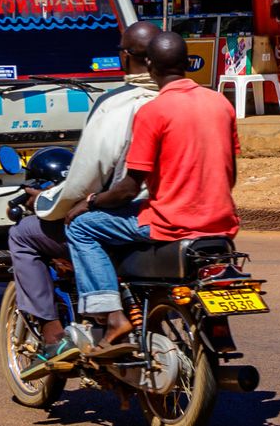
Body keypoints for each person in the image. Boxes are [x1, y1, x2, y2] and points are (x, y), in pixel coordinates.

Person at [64, 31, 240, 357]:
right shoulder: (220, 103)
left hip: (170, 224)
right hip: (221, 222)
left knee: (81, 228)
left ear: (148, 65)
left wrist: (89, 203)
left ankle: (112, 317)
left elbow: (128, 188)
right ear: (188, 63)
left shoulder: (153, 111)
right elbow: (231, 172)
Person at [11, 20, 162, 377]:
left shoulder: (118, 105)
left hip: (135, 215)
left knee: (29, 234)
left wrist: (51, 203)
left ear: (125, 58)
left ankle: (56, 336)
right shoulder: (201, 100)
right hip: (200, 217)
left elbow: (87, 179)